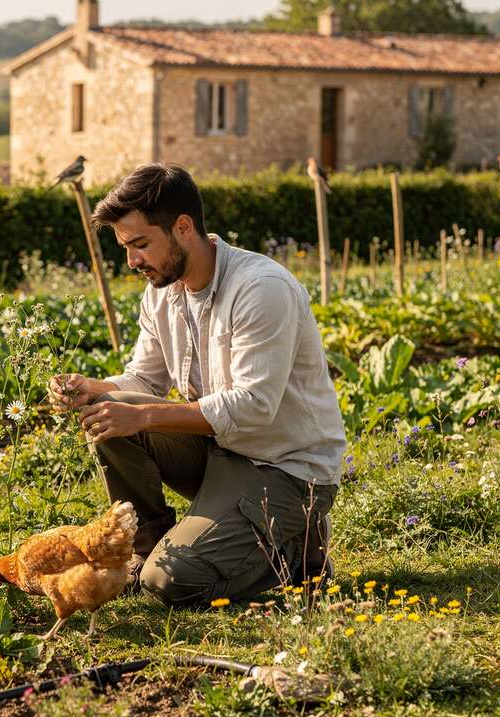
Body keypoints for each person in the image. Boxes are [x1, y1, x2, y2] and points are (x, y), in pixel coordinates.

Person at [48, 163, 346, 608]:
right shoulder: (162, 292)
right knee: (109, 411)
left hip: (287, 469)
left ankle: (299, 546)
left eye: (140, 244)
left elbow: (253, 406)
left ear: (183, 228)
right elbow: (143, 380)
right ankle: (149, 548)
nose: (132, 262)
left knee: (171, 582)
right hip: (221, 453)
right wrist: (91, 388)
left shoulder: (260, 288)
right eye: (126, 248)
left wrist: (142, 415)